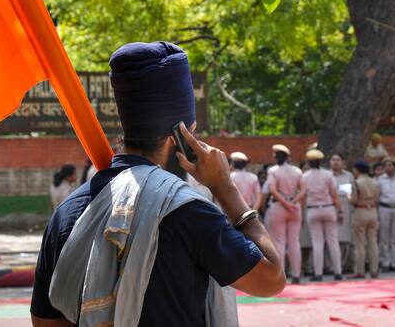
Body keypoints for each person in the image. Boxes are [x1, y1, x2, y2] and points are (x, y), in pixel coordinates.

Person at [30, 42, 285, 327]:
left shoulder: (68, 212)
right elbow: (271, 279)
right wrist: (225, 188)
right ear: (181, 136)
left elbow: (45, 322)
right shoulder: (188, 211)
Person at [265, 144, 305, 284]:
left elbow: (273, 190)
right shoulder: (297, 171)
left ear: (276, 157)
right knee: (294, 241)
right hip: (295, 208)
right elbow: (304, 190)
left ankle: (281, 276)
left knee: (279, 242)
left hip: (278, 207)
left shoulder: (273, 170)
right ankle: (296, 275)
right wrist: (293, 202)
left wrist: (285, 203)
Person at [301, 149, 343, 281]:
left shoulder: (305, 176)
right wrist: (340, 210)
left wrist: (301, 214)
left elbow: (303, 196)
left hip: (313, 210)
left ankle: (318, 274)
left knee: (317, 243)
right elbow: (334, 195)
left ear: (309, 162)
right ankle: (338, 272)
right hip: (328, 208)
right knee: (333, 241)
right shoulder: (328, 174)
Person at [351, 161, 380, 278]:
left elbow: (353, 200)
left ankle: (360, 270)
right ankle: (374, 270)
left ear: (358, 170)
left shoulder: (357, 182)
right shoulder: (375, 182)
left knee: (360, 243)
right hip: (372, 210)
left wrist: (348, 196)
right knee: (373, 242)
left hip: (360, 210)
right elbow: (377, 198)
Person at [378, 157, 395, 272]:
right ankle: (385, 262)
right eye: (386, 166)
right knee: (384, 236)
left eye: (391, 165)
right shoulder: (379, 179)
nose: (388, 168)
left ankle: (394, 262)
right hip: (384, 207)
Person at [330, 153, 355, 273]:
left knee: (345, 238)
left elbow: (353, 192)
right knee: (330, 239)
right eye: (333, 160)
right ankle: (331, 266)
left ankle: (343, 265)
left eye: (338, 160)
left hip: (345, 205)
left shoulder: (349, 175)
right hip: (329, 206)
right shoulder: (327, 175)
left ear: (342, 162)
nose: (335, 162)